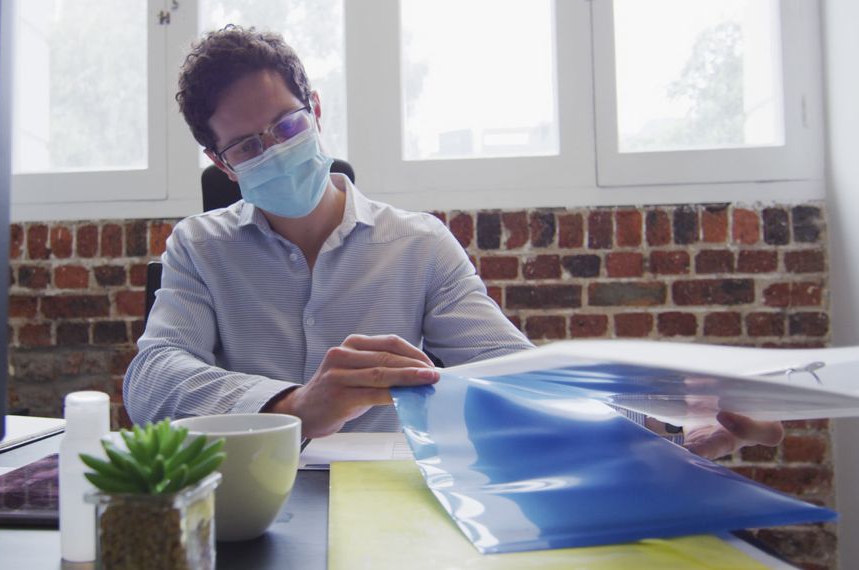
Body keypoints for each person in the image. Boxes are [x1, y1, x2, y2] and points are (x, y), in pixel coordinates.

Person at [123, 25, 781, 459]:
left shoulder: (417, 244)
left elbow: (514, 375)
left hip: (392, 504)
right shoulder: (197, 248)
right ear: (221, 163)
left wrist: (664, 433)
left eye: (287, 124)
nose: (275, 149)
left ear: (316, 112)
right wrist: (294, 408)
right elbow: (153, 377)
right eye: (247, 144)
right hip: (241, 504)